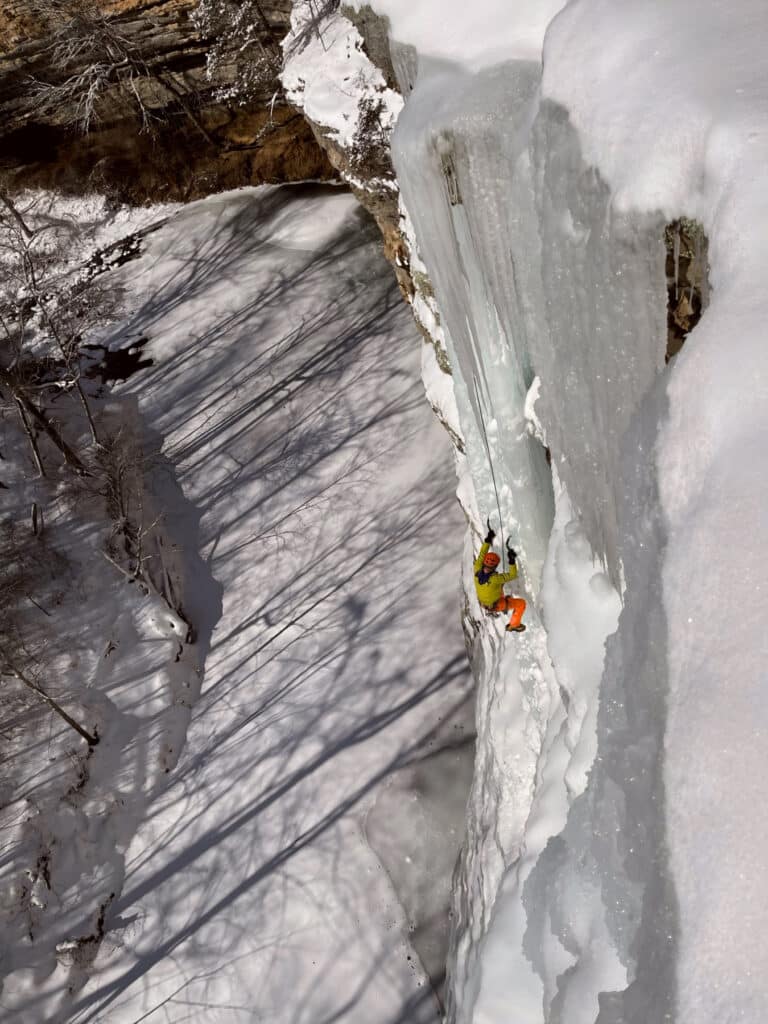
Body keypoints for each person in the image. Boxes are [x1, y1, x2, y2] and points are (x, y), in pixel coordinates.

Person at [474, 523, 526, 632]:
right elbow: (512, 575)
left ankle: (505, 601)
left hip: (485, 602)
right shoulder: (494, 579)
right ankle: (514, 625)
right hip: (495, 605)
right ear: (495, 566)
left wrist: (488, 539)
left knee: (500, 587)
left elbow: (482, 555)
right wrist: (512, 561)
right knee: (521, 604)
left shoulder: (477, 569)